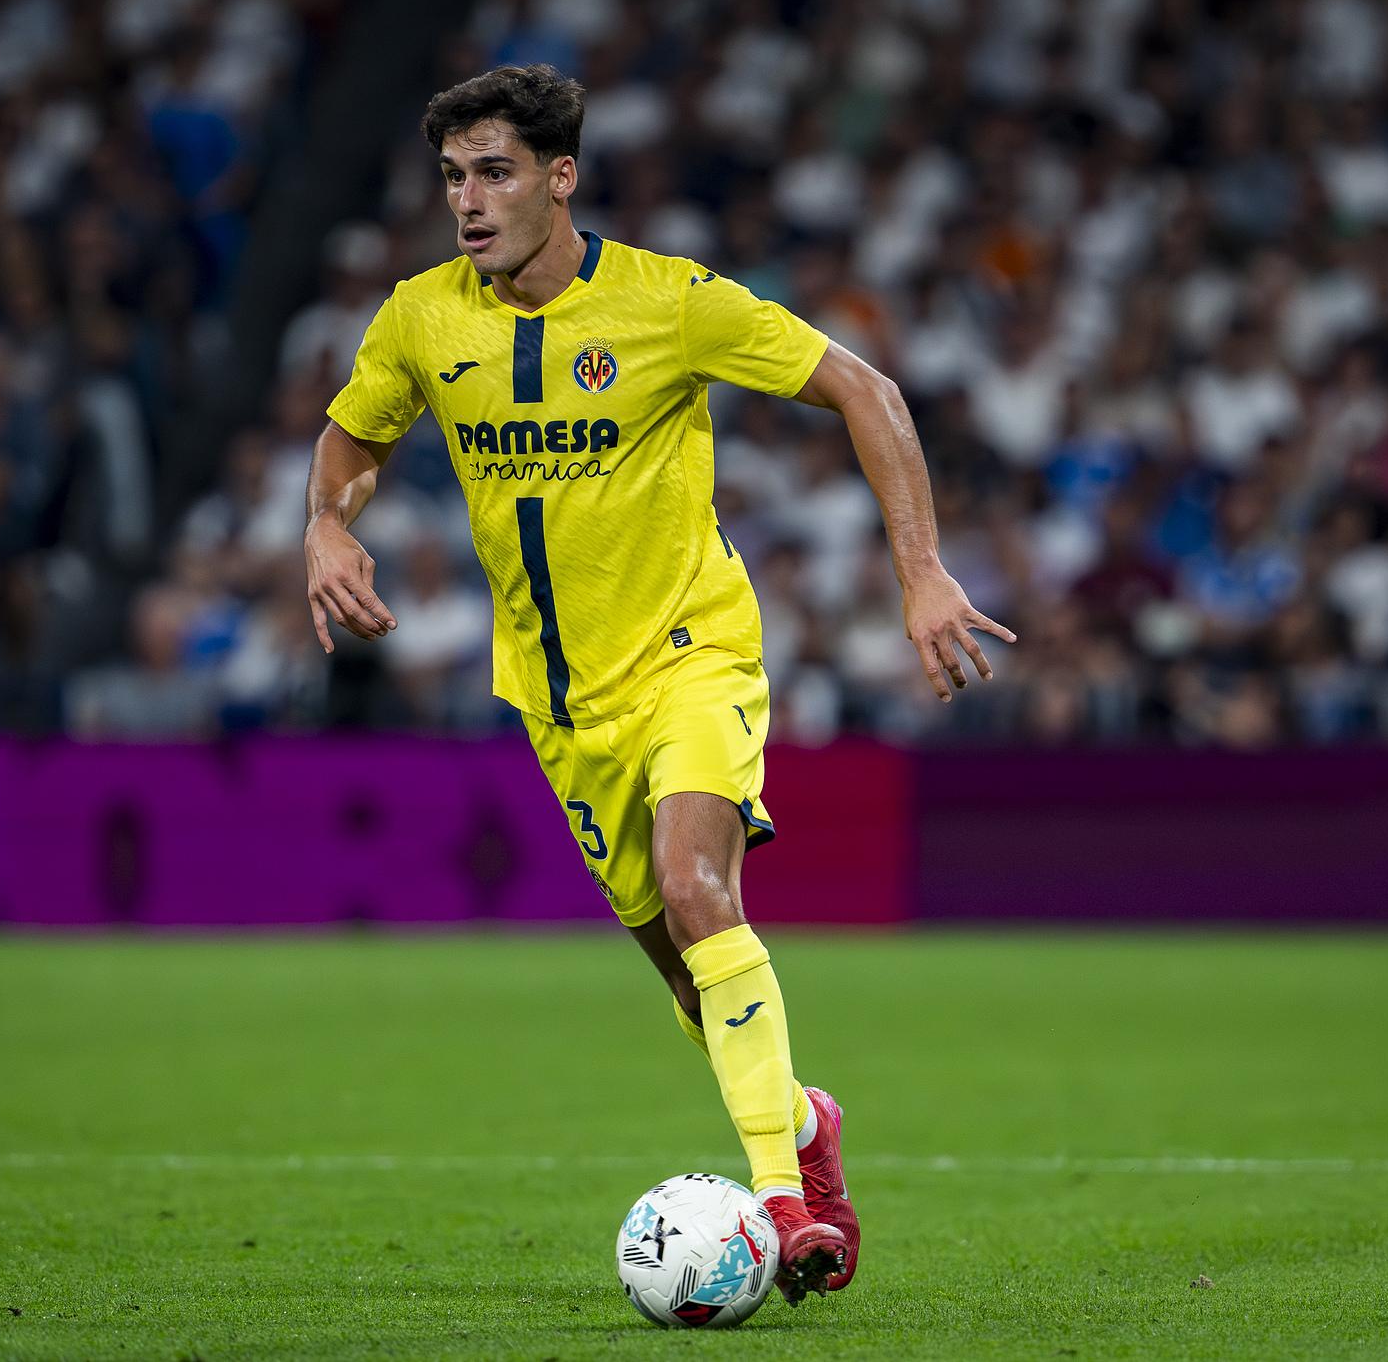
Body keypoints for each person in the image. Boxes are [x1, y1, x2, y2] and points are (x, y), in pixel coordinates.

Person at [304, 64, 1014, 1305]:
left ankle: (781, 1203)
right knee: (689, 973)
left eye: (494, 173)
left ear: (560, 178)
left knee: (697, 888)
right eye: (453, 177)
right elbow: (353, 437)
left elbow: (866, 389)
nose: (467, 200)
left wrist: (919, 573)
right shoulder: (421, 318)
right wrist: (325, 521)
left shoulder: (669, 302)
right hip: (557, 700)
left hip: (692, 655)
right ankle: (803, 1122)